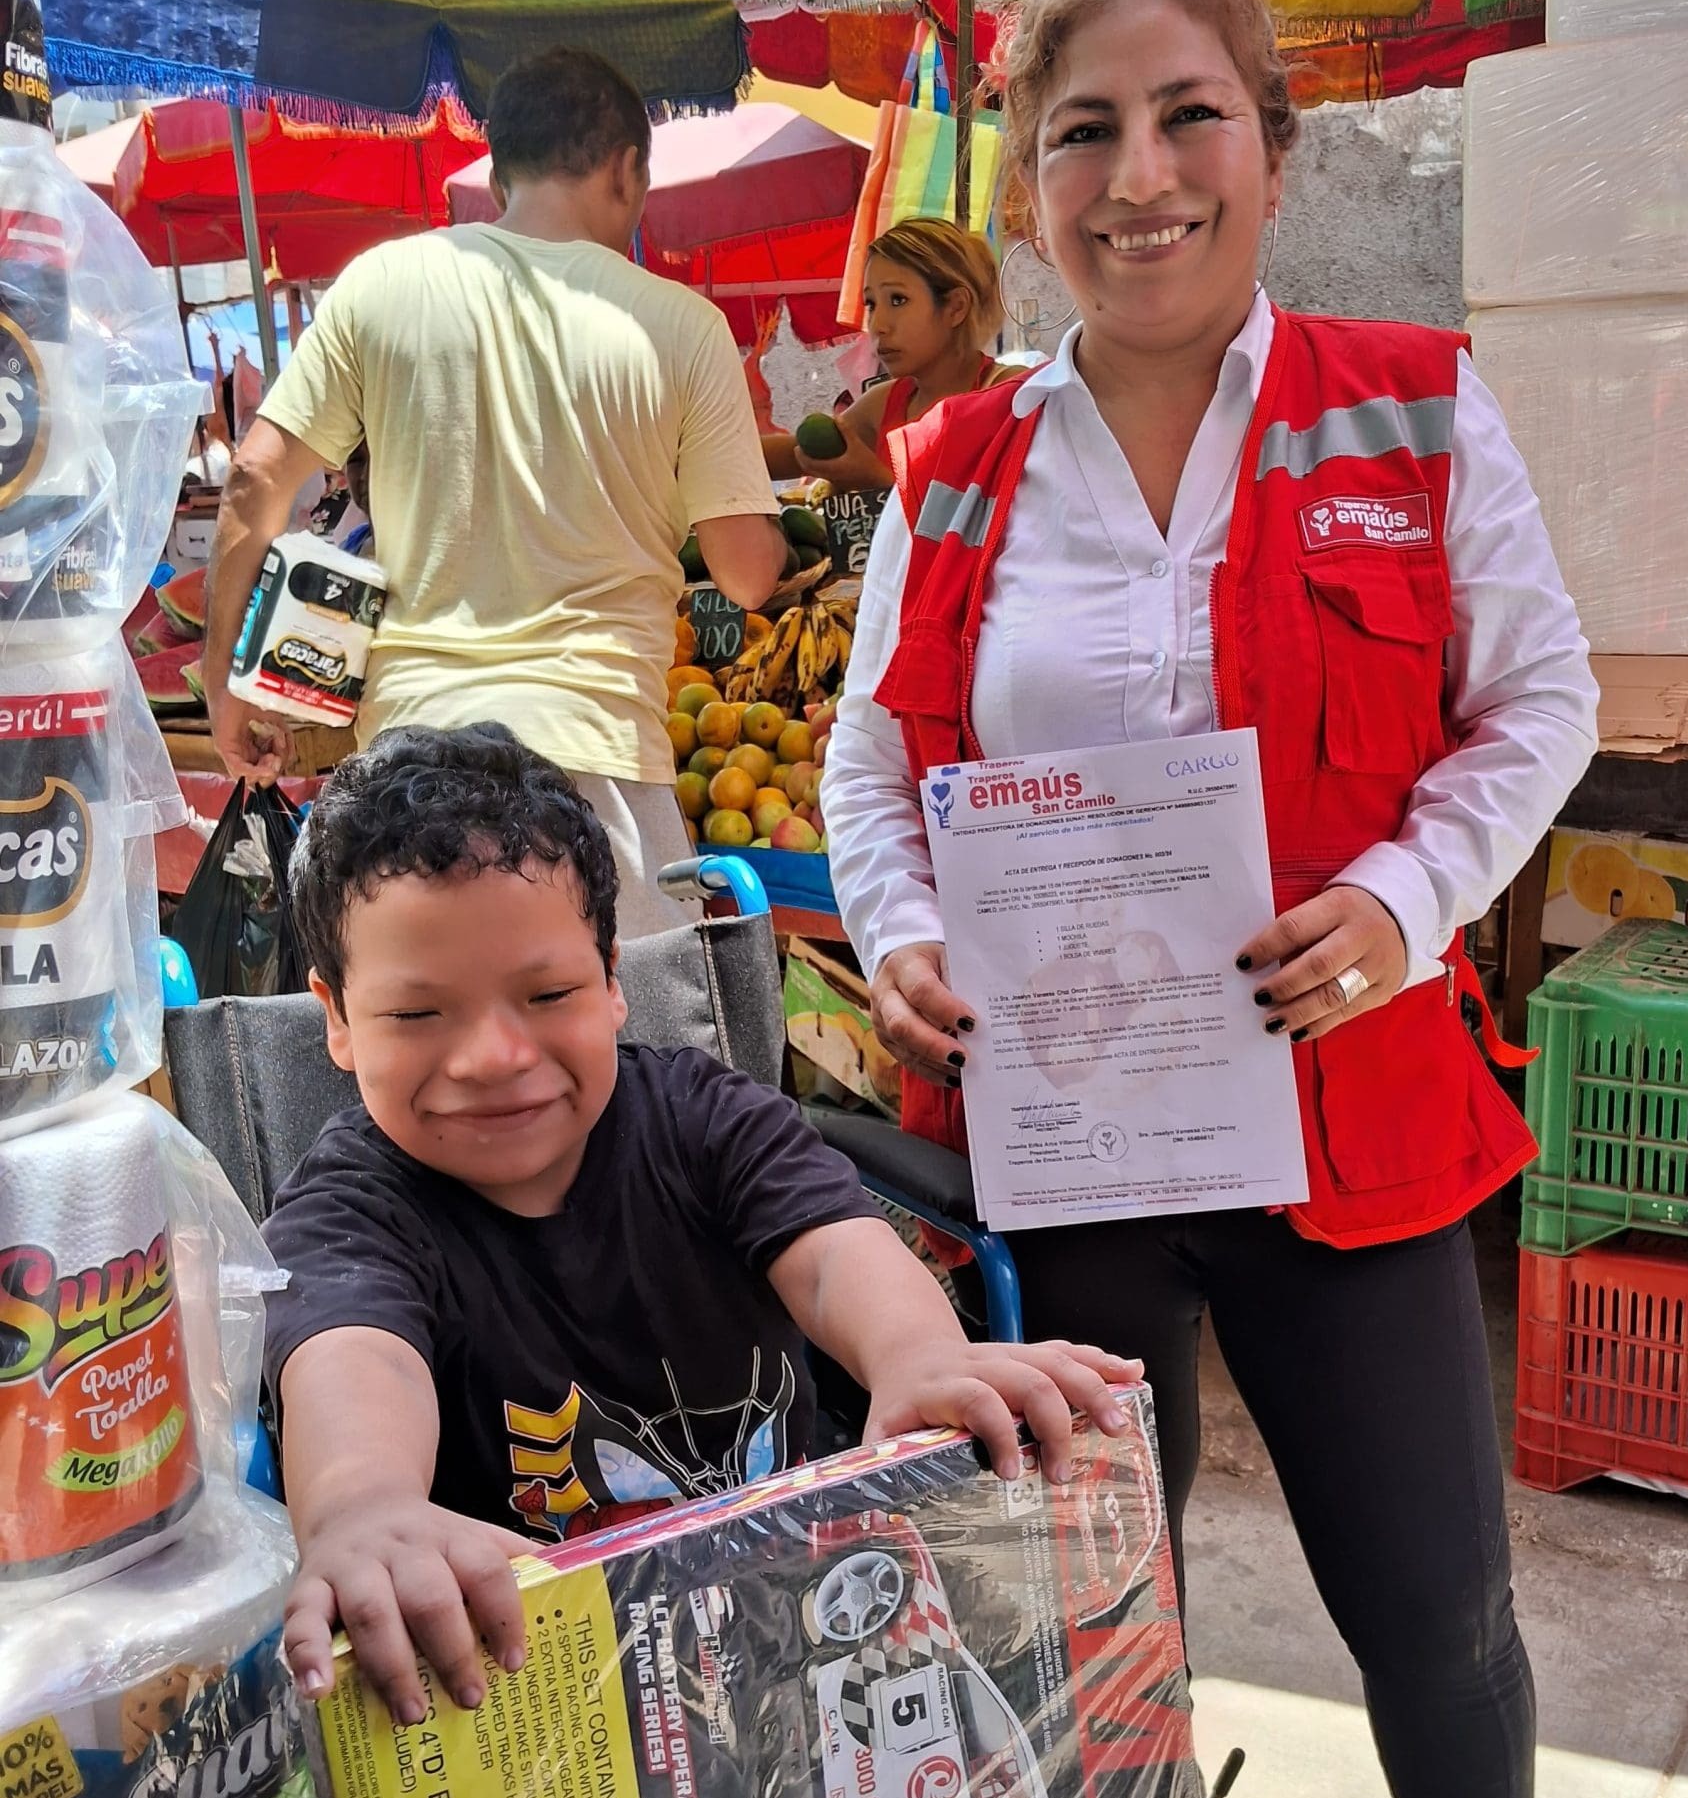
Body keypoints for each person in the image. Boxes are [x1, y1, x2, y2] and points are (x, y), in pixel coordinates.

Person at [821, 0, 1605, 1798]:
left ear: (1270, 143)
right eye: (1083, 132)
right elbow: (873, 754)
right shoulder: (953, 461)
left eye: (1186, 117)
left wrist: (1405, 900)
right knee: (1103, 1592)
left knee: (1433, 1594)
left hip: (1347, 1110)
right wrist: (903, 928)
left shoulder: (1410, 403)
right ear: (1025, 177)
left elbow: (1538, 699)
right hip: (1071, 1132)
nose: (1137, 174)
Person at [267, 722, 1145, 1725]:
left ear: (611, 983)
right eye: (418, 1015)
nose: (493, 1057)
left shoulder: (704, 1118)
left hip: (808, 1623)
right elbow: (355, 1356)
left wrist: (918, 1354)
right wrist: (364, 1505)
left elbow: (831, 1253)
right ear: (337, 1019)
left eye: (547, 994)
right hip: (546, 1692)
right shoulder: (348, 1211)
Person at [202, 47, 786, 937]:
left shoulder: (381, 284)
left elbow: (254, 476)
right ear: (628, 169)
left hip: (406, 771)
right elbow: (745, 574)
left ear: (499, 170)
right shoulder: (683, 327)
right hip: (598, 770)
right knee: (615, 1022)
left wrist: (224, 681)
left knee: (425, 1026)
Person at [762, 221, 1016, 493]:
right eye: (871, 304)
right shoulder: (885, 402)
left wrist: (877, 482)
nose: (878, 325)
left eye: (898, 300)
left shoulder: (1012, 396)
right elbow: (790, 453)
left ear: (956, 307)